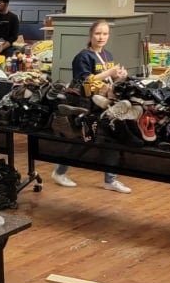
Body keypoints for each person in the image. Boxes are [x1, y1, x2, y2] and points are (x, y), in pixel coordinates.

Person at [50, 20, 132, 194]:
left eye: (105, 34)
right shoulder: (83, 57)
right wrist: (109, 73)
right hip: (86, 104)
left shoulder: (107, 55)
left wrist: (119, 77)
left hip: (104, 102)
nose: (101, 37)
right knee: (83, 140)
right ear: (91, 35)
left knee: (111, 139)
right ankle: (60, 171)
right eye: (98, 33)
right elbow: (86, 81)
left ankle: (110, 179)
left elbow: (108, 81)